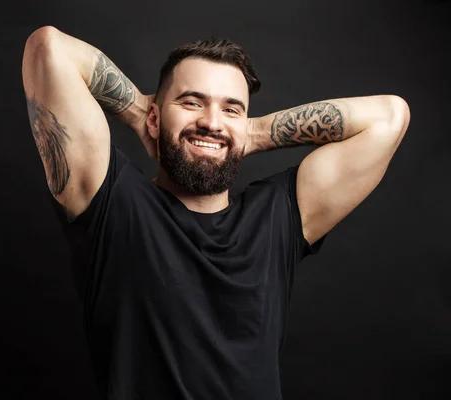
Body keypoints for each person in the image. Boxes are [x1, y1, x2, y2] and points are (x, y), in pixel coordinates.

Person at [21, 26, 410, 400]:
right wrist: (141, 112)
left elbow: (389, 116)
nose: (210, 122)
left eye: (231, 109)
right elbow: (49, 49)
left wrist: (251, 132)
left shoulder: (280, 217)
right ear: (157, 116)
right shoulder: (113, 203)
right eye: (191, 102)